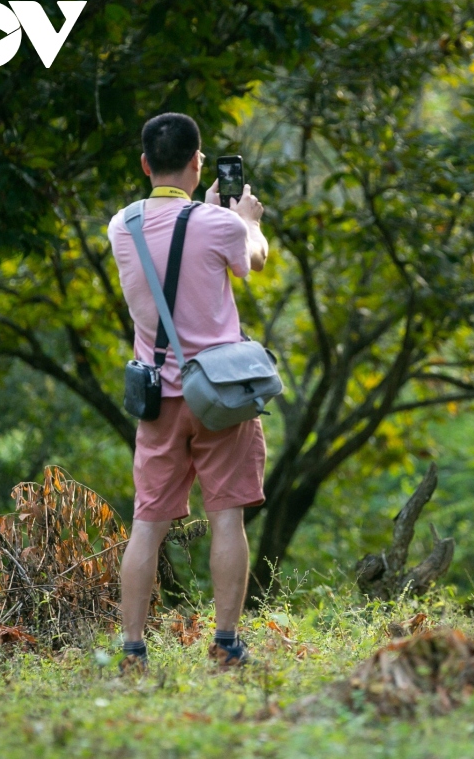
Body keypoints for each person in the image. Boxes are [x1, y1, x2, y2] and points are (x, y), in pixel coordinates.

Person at [107, 113, 269, 673]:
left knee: (146, 524)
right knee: (227, 518)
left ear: (146, 164)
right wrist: (247, 220)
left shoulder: (119, 226)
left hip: (156, 398)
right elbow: (253, 260)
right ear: (198, 164)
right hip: (221, 393)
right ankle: (225, 644)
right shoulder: (219, 224)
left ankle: (132, 652)